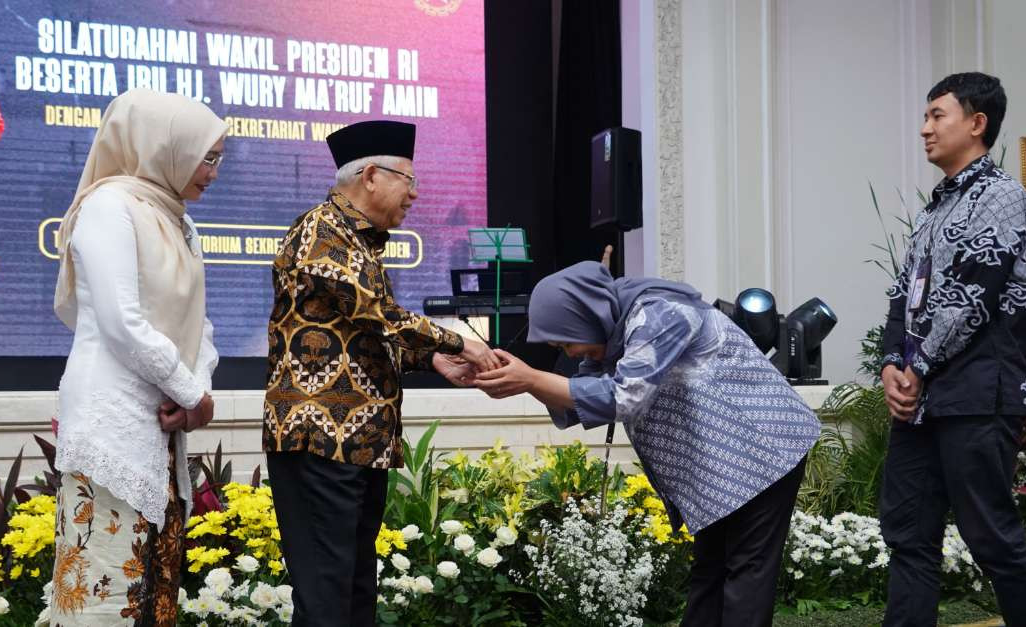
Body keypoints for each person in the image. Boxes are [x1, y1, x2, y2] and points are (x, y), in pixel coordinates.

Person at [473, 261, 821, 627]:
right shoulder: (615, 331)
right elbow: (580, 400)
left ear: (585, 316)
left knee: (745, 576)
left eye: (567, 341)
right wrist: (512, 376)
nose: (569, 353)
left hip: (764, 452)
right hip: (725, 471)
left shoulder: (660, 312)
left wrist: (529, 380)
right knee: (711, 573)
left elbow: (624, 397)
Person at [263, 120, 500, 626]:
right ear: (371, 176)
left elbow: (360, 337)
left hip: (359, 444)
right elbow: (375, 313)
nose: (414, 193)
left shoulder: (360, 240)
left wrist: (429, 358)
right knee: (326, 602)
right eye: (406, 179)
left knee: (353, 599)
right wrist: (461, 342)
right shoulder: (320, 230)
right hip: (319, 439)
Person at [879, 72, 1026, 626]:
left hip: (978, 395)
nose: (924, 128)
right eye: (926, 117)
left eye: (937, 116)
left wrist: (918, 367)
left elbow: (971, 298)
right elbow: (901, 297)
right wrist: (891, 364)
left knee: (992, 540)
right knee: (908, 535)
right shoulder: (934, 210)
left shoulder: (1002, 196)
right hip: (921, 399)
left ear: (976, 124)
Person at [50, 88, 225, 625]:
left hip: (163, 429)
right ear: (162, 145)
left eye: (218, 158)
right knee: (100, 597)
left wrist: (193, 389)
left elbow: (200, 325)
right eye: (206, 157)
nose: (212, 173)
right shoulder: (107, 207)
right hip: (112, 427)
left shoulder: (177, 219)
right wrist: (191, 394)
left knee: (156, 593)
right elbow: (121, 323)